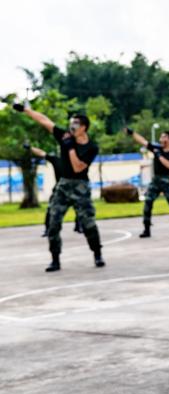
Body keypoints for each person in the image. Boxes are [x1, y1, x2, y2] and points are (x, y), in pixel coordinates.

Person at [14, 104, 105, 271]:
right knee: (53, 224)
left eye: (76, 123)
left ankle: (97, 254)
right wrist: (26, 110)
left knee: (88, 223)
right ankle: (55, 259)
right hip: (63, 185)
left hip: (80, 186)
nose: (72, 126)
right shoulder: (64, 135)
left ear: (84, 127)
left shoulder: (91, 147)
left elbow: (78, 167)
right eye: (71, 122)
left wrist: (70, 147)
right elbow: (44, 121)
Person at [125, 128, 169, 237]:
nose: (161, 139)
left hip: (167, 180)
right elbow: (143, 141)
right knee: (148, 202)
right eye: (161, 137)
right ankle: (146, 229)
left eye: (164, 137)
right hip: (156, 180)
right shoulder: (157, 148)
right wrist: (132, 133)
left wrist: (158, 155)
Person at [27, 144, 65, 237]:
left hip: (74, 188)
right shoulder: (56, 160)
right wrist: (30, 148)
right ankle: (48, 229)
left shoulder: (75, 160)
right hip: (60, 189)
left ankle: (80, 226)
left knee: (82, 207)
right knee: (51, 209)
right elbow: (41, 153)